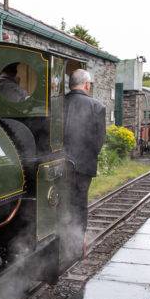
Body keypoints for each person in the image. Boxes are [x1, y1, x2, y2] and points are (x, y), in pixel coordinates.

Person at [63, 69, 106, 259]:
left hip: (57, 165)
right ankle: (75, 247)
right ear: (87, 85)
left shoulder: (57, 104)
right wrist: (88, 157)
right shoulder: (97, 106)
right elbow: (98, 140)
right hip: (83, 165)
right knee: (79, 205)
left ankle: (59, 243)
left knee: (59, 203)